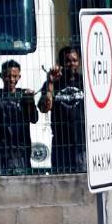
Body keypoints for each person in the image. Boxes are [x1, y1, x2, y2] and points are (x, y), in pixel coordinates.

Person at [39, 46, 86, 174]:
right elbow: (44, 108)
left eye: (75, 60)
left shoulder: (84, 82)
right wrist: (50, 83)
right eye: (68, 61)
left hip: (82, 144)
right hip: (61, 144)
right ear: (61, 63)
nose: (72, 64)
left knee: (82, 180)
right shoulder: (54, 83)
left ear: (79, 62)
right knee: (61, 180)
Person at [0, 59, 38, 176]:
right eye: (8, 76)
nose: (11, 79)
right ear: (1, 76)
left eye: (15, 76)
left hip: (21, 152)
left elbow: (34, 119)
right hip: (0, 151)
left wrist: (30, 101)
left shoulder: (24, 95)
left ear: (19, 77)